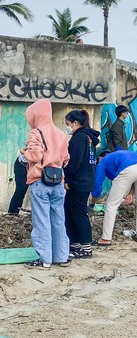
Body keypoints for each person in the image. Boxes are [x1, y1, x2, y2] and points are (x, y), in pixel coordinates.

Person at [21, 99, 70, 269]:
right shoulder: (62, 134)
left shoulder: (36, 132)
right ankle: (61, 257)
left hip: (40, 181)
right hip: (57, 182)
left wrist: (23, 152)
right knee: (58, 219)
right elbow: (66, 160)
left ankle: (45, 259)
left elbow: (34, 155)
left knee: (41, 221)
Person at [92, 150, 137, 246]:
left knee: (111, 205)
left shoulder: (102, 161)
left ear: (99, 158)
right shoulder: (121, 154)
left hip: (128, 170)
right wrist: (131, 193)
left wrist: (92, 204)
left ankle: (105, 238)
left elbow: (97, 187)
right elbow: (135, 173)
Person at [63, 110, 99, 259]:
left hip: (78, 182)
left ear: (75, 123)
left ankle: (85, 247)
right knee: (70, 212)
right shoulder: (88, 138)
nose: (67, 127)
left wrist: (67, 179)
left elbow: (74, 162)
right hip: (85, 181)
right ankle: (75, 244)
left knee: (78, 214)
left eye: (68, 124)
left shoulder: (79, 138)